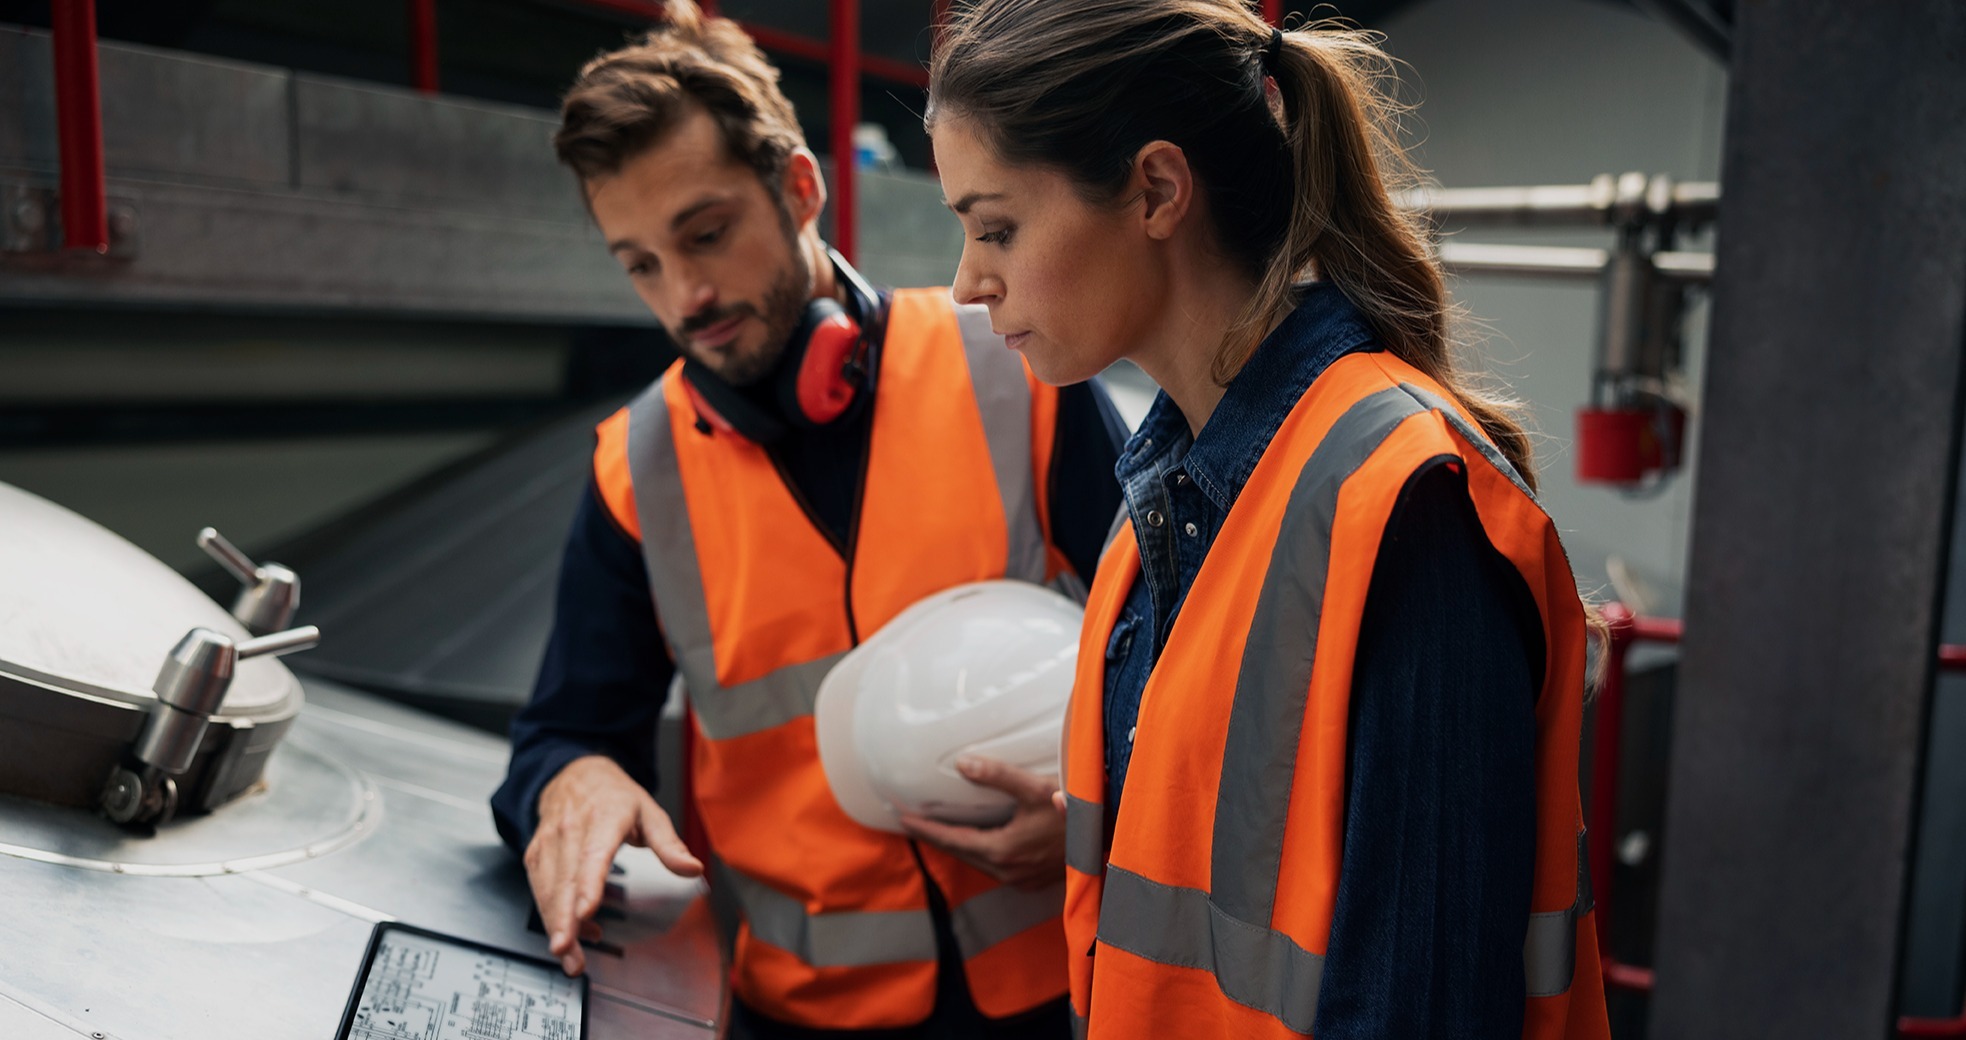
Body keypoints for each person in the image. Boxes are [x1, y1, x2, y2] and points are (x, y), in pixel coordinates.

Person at [926, 3, 1612, 1039]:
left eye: (997, 228)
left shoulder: (1402, 502)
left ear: (1156, 189)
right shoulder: (1163, 501)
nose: (968, 281)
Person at [489, 5, 1125, 1037]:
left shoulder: (1009, 364)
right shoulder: (633, 472)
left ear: (798, 188)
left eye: (705, 235)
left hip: (1063, 991)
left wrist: (1096, 815)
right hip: (803, 1017)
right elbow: (559, 735)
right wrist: (572, 782)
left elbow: (1190, 658)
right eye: (639, 263)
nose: (685, 295)